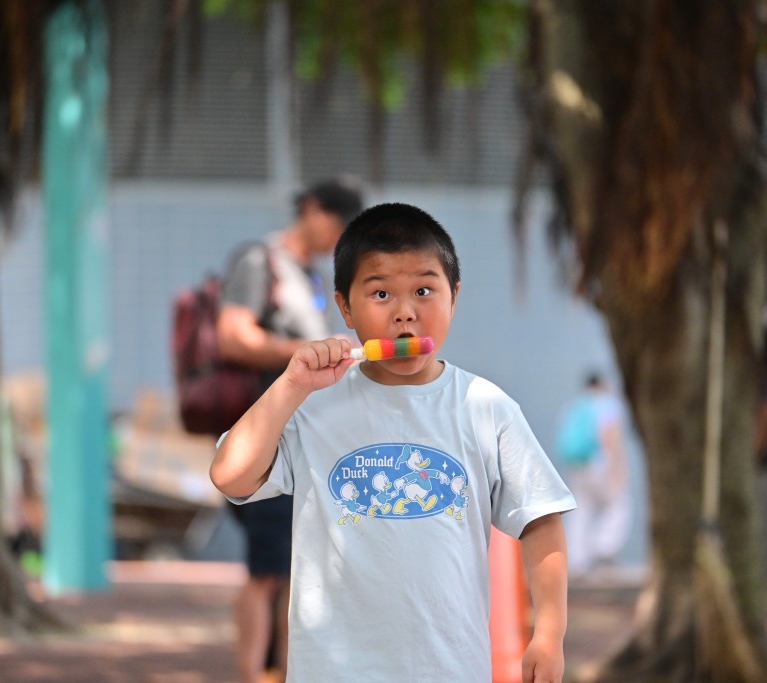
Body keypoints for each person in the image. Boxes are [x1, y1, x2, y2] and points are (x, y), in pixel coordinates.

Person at [211, 202, 575, 683]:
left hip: (449, 669)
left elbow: (540, 519)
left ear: (454, 296)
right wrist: (290, 384)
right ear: (344, 307)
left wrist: (548, 634)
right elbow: (230, 474)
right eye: (380, 293)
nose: (406, 314)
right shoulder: (313, 405)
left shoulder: (485, 406)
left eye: (424, 290)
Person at [215, 177, 363, 683]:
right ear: (311, 210)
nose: (337, 237)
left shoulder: (310, 274)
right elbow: (233, 335)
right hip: (266, 435)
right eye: (337, 223)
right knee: (265, 571)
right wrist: (300, 358)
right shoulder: (261, 261)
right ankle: (250, 671)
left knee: (291, 567)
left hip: (303, 435)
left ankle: (279, 670)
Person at [556, 373, 631, 579]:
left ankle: (578, 560)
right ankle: (604, 549)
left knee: (581, 511)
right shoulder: (606, 404)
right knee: (618, 505)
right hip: (600, 465)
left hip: (577, 466)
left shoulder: (574, 406)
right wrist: (617, 467)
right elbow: (610, 436)